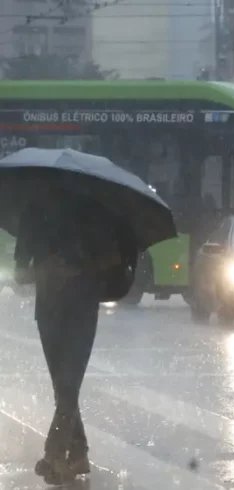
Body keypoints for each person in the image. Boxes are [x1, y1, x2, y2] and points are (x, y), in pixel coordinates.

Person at [14, 186, 128, 485]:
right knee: (64, 387)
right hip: (63, 310)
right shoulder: (41, 212)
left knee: (66, 385)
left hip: (71, 310)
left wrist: (74, 268)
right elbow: (20, 272)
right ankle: (77, 453)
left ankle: (55, 453)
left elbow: (112, 261)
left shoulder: (88, 214)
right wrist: (50, 269)